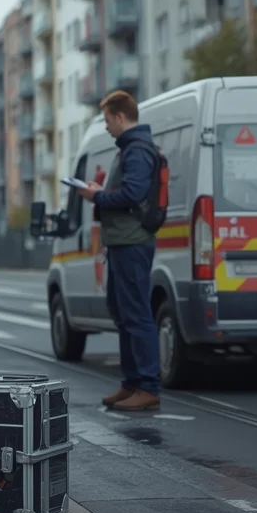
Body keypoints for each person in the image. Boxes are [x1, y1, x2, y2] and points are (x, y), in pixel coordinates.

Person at [75, 90, 161, 412]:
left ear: (120, 117)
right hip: (122, 241)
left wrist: (95, 197)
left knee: (137, 314)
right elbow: (127, 192)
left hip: (133, 241)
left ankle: (148, 386)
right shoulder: (129, 149)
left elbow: (133, 193)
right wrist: (101, 192)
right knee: (123, 312)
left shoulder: (137, 150)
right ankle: (132, 382)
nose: (107, 128)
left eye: (109, 121)